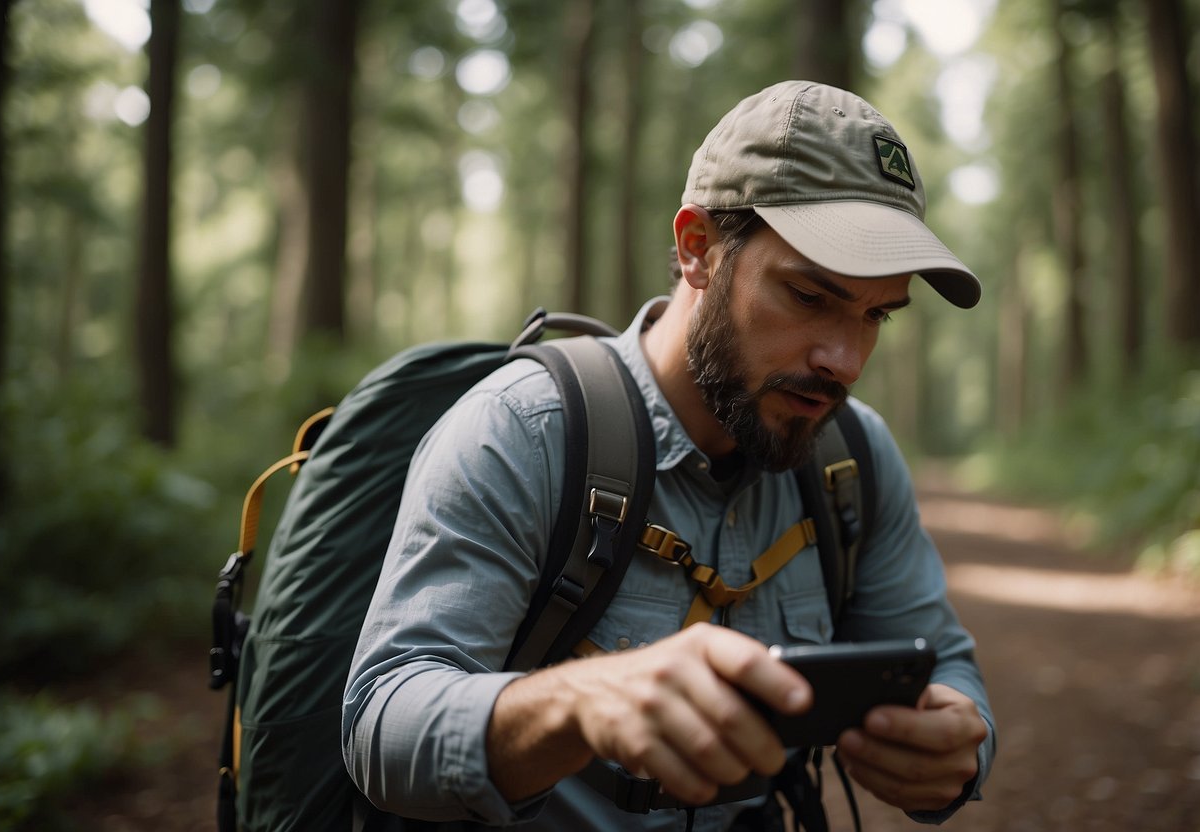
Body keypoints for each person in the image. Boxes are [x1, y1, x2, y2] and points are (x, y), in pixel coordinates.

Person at [342, 80, 995, 830]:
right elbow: (379, 724)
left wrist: (957, 747)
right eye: (809, 296)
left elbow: (944, 664)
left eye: (875, 313)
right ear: (697, 251)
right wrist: (576, 704)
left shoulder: (850, 456)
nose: (843, 359)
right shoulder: (523, 430)